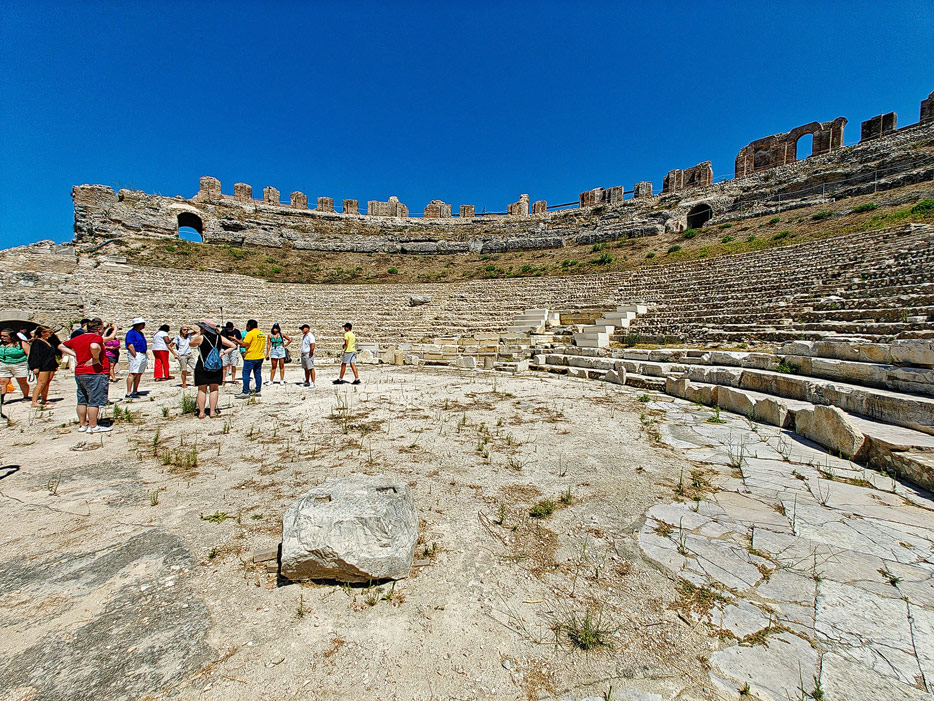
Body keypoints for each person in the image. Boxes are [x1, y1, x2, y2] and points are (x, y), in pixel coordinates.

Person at [60, 318, 112, 433]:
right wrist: (95, 358)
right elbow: (94, 346)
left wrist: (75, 355)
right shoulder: (96, 338)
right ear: (98, 329)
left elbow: (61, 346)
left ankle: (83, 424)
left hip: (80, 372)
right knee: (94, 400)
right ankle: (93, 426)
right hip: (94, 372)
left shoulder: (78, 338)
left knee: (82, 399)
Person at [189, 320, 238, 419]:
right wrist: (222, 353)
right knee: (214, 388)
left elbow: (191, 344)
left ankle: (201, 413)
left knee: (202, 389)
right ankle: (212, 412)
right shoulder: (219, 338)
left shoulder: (200, 338)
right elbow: (233, 346)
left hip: (202, 365)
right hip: (216, 365)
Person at [28, 325, 59, 407]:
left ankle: (44, 400)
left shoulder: (48, 342)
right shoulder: (37, 342)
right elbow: (35, 355)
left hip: (50, 365)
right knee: (41, 383)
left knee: (47, 383)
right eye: (49, 332)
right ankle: (34, 401)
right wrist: (35, 367)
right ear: (42, 333)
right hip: (43, 365)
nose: (51, 334)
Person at [234, 319, 266, 398]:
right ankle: (258, 390)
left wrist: (235, 340)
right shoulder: (262, 334)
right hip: (260, 356)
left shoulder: (250, 334)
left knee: (246, 374)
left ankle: (245, 392)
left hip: (250, 357)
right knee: (257, 374)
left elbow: (244, 344)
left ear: (249, 326)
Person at [0, 327, 31, 402]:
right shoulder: (0, 344)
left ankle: (26, 396)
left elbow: (29, 353)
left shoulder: (21, 343)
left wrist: (30, 364)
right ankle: (1, 400)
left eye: (5, 336)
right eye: (1, 336)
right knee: (3, 382)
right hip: (3, 364)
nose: (2, 337)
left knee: (22, 382)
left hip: (19, 364)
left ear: (11, 336)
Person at [125, 317, 148, 399]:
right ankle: (128, 392)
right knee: (133, 372)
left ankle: (135, 390)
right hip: (136, 353)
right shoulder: (131, 333)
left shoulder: (140, 333)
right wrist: (135, 355)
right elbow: (130, 345)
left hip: (142, 354)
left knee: (139, 373)